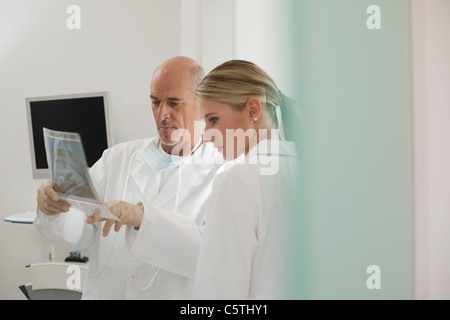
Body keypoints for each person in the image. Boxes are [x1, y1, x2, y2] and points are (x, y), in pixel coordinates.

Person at [34, 56, 223, 299]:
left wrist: (144, 219)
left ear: (202, 103)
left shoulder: (223, 171)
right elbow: (76, 232)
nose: (162, 113)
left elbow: (213, 255)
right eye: (155, 102)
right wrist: (53, 209)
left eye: (174, 103)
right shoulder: (117, 158)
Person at [193, 60, 300, 299]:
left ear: (253, 109)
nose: (207, 137)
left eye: (213, 120)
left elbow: (216, 293)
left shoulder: (239, 180)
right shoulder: (305, 169)